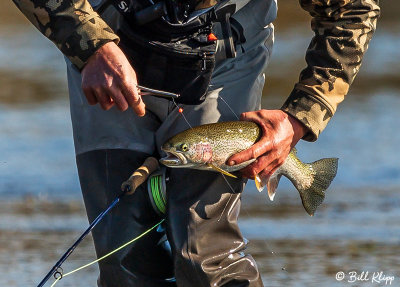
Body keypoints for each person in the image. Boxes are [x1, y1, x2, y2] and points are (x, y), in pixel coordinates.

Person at [13, 0, 380, 286]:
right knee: (123, 256)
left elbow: (354, 10)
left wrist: (299, 118)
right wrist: (88, 45)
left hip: (227, 54)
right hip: (104, 50)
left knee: (205, 255)